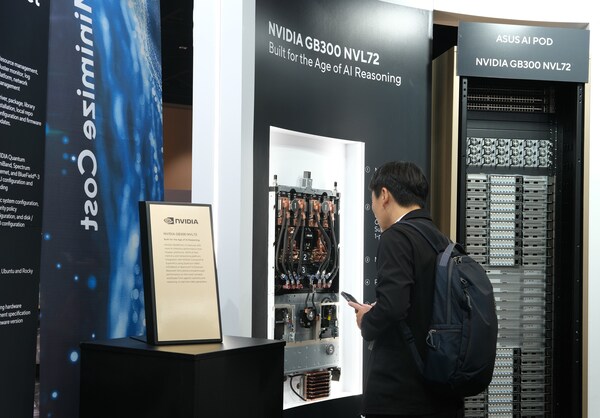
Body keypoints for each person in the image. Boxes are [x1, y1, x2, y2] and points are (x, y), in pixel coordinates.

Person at [348, 161, 464, 418]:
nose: (373, 209)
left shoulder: (396, 237)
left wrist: (367, 319)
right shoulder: (441, 240)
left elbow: (394, 307)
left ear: (384, 195)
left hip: (401, 392)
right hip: (438, 389)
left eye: (372, 200)